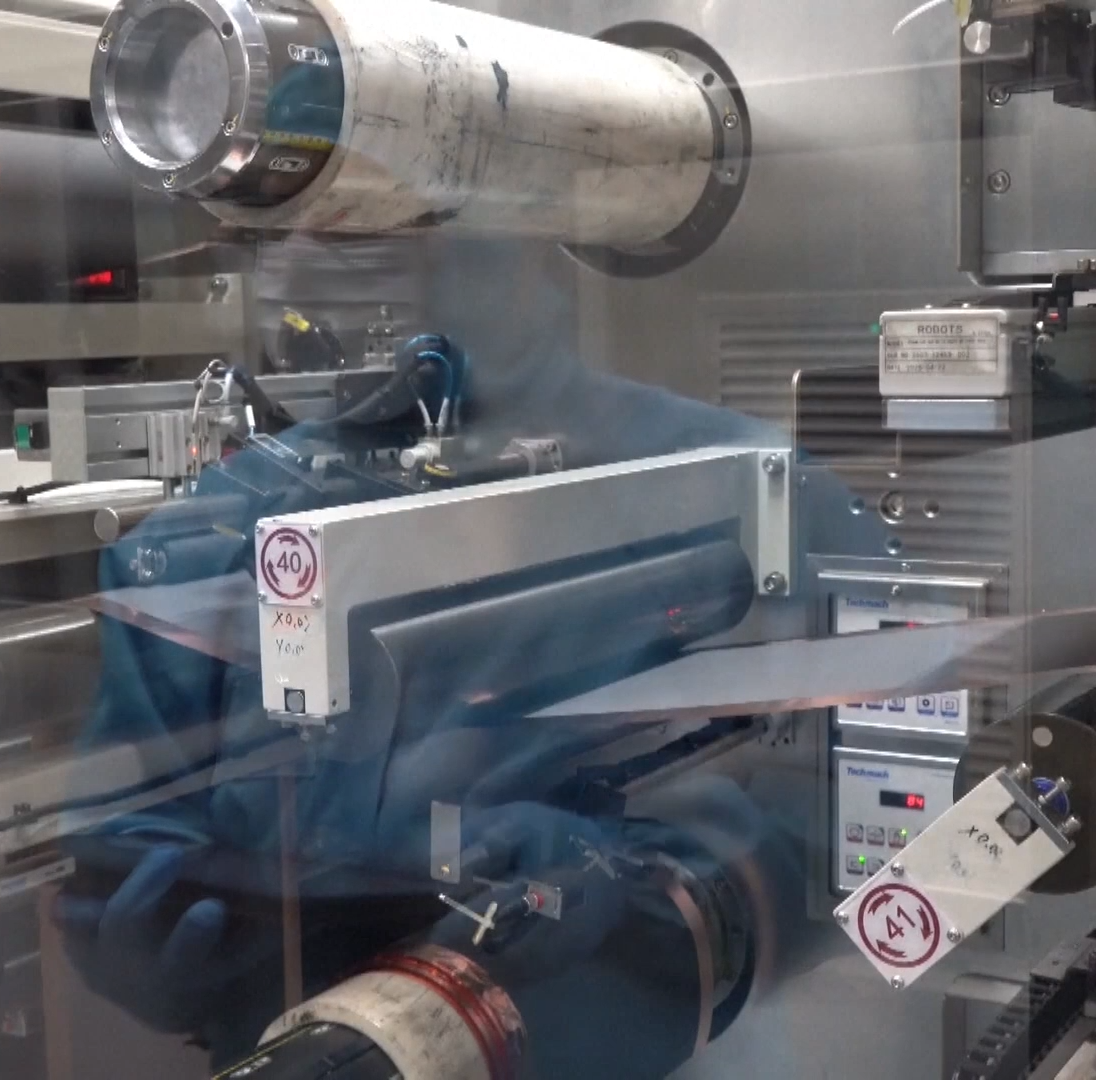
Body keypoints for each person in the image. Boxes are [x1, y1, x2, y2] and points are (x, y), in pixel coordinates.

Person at [52, 232, 884, 1066]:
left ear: (542, 255)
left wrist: (661, 889)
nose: (356, 276)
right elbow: (126, 833)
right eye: (316, 235)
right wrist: (150, 939)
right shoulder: (214, 536)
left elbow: (867, 801)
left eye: (411, 239)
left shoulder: (741, 488)